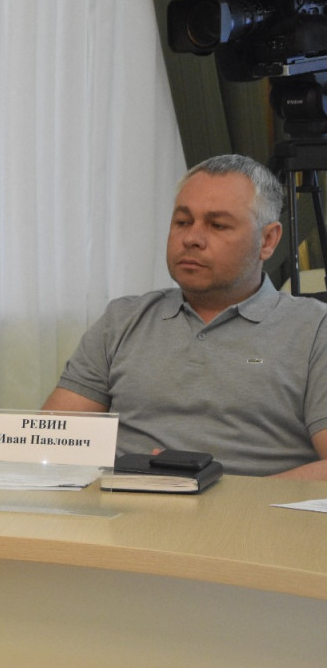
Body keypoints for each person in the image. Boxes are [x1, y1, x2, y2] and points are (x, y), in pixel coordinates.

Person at [42, 153, 327, 479]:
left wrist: (220, 496)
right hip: (127, 503)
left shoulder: (314, 329)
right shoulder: (122, 320)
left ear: (268, 240)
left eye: (217, 225)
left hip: (253, 509)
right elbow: (50, 444)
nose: (191, 238)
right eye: (182, 222)